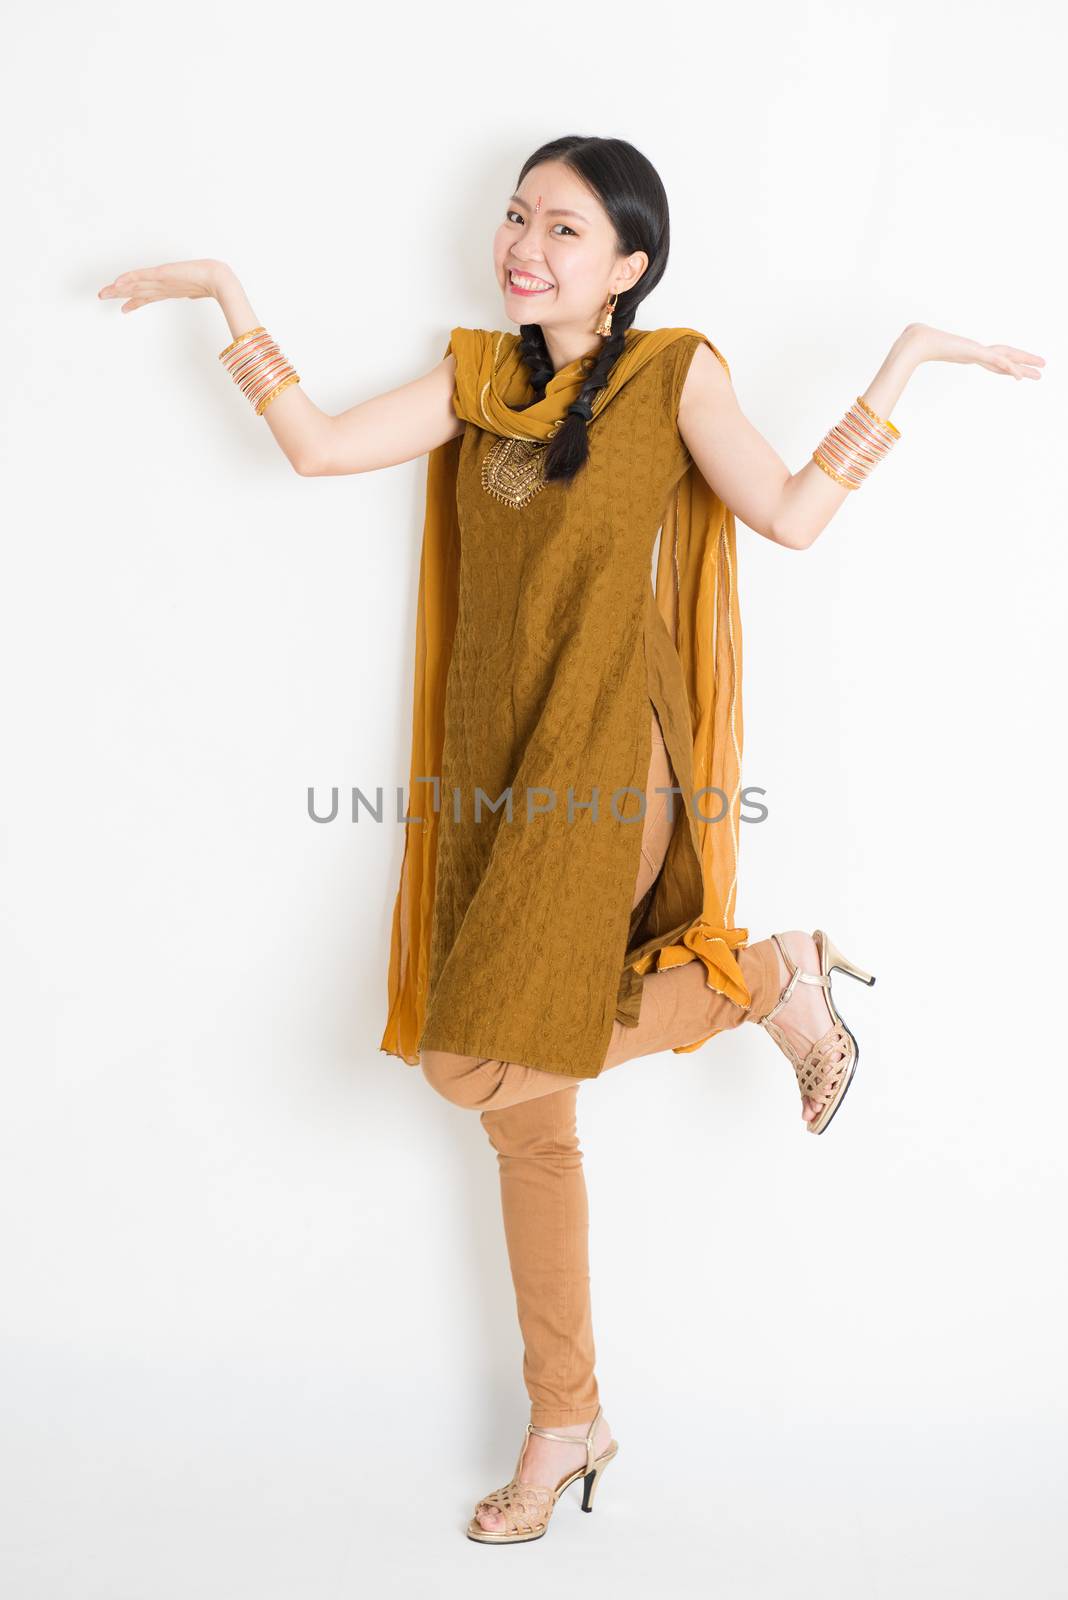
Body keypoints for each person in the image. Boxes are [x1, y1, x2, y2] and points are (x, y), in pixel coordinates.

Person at [98, 132, 1045, 1547]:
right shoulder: (481, 375)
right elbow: (318, 449)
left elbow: (785, 515)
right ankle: (568, 1420)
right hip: (492, 769)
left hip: (611, 756)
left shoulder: (675, 376)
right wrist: (231, 299)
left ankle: (759, 979)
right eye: (515, 219)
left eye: (562, 228)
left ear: (630, 265)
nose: (524, 246)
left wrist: (901, 367)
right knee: (528, 1122)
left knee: (466, 1055)